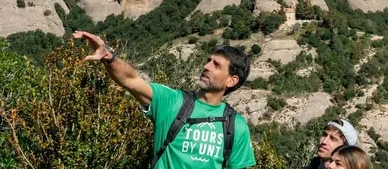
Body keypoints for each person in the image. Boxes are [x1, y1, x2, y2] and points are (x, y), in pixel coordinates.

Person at [73, 30, 256, 169]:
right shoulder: (173, 101)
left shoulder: (236, 126)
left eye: (216, 65)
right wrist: (108, 57)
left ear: (232, 80)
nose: (206, 66)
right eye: (208, 61)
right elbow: (131, 80)